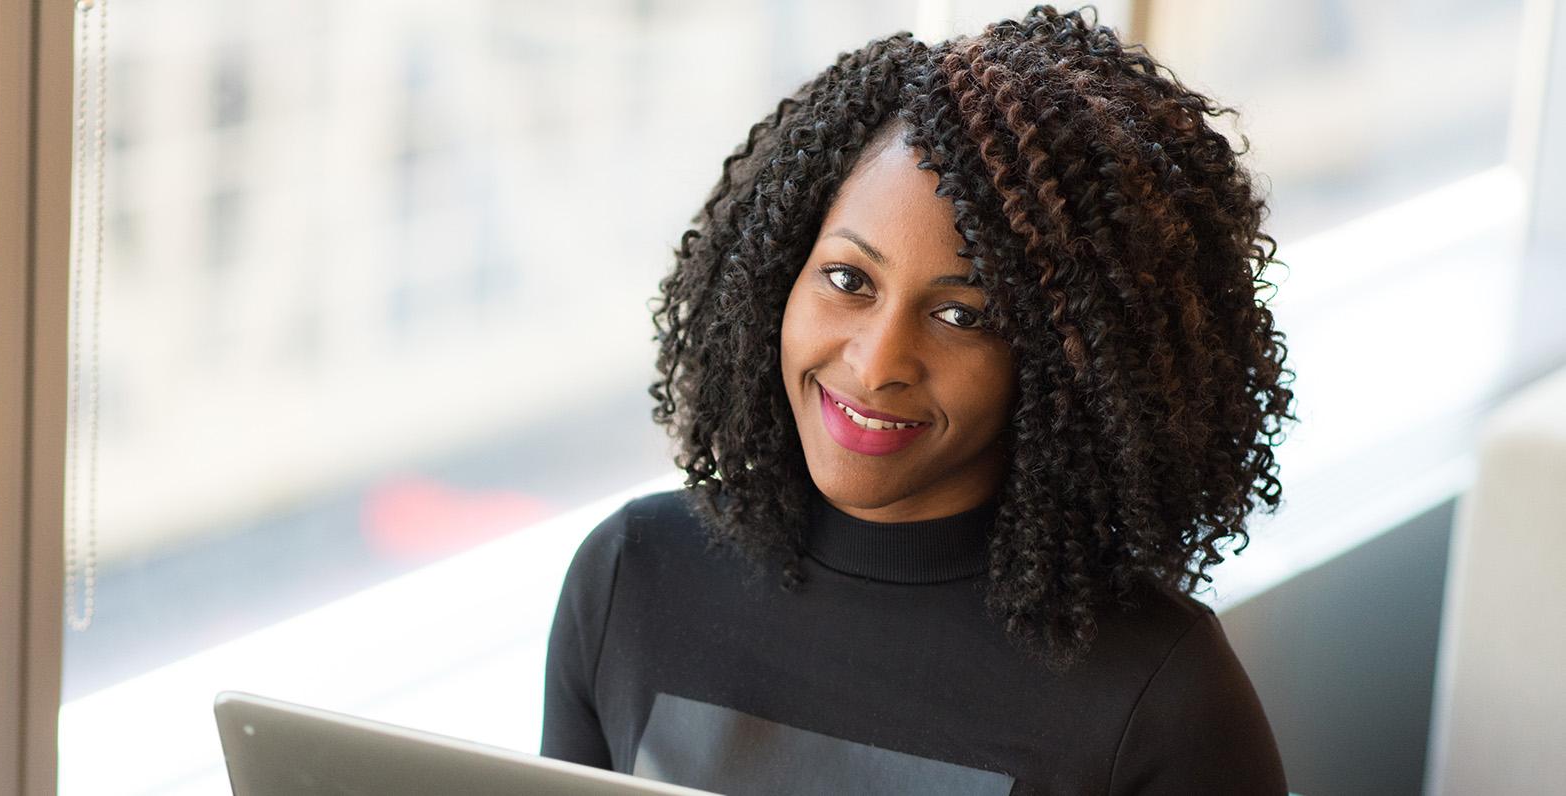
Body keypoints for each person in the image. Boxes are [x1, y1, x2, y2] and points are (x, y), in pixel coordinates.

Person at [541, 5, 1295, 795]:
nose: (877, 365)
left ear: (1064, 365)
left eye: (962, 316)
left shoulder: (1160, 700)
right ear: (775, 280)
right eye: (848, 280)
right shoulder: (634, 578)